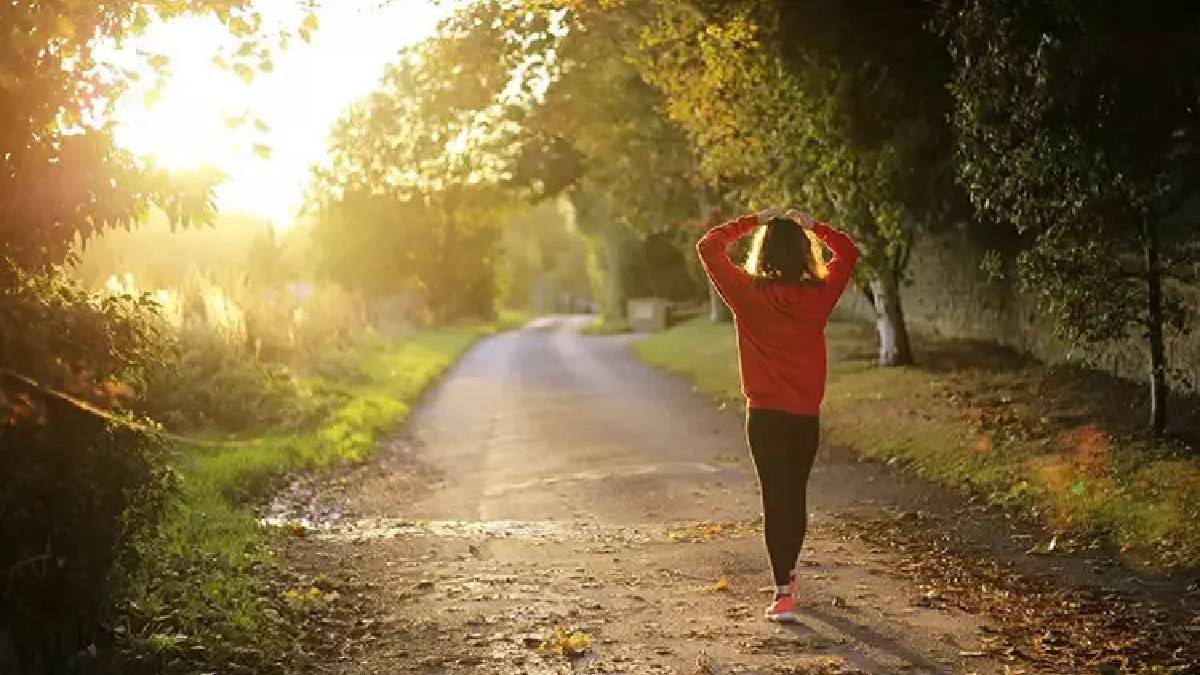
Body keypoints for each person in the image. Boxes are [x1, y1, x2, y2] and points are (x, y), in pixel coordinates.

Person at [696, 206, 859, 623]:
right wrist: (814, 225)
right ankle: (789, 575)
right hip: (804, 416)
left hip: (765, 417)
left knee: (775, 497)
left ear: (763, 252)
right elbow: (848, 252)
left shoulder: (746, 294)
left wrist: (753, 220)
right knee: (795, 495)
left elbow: (709, 246)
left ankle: (782, 591)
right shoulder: (819, 295)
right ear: (804, 253)